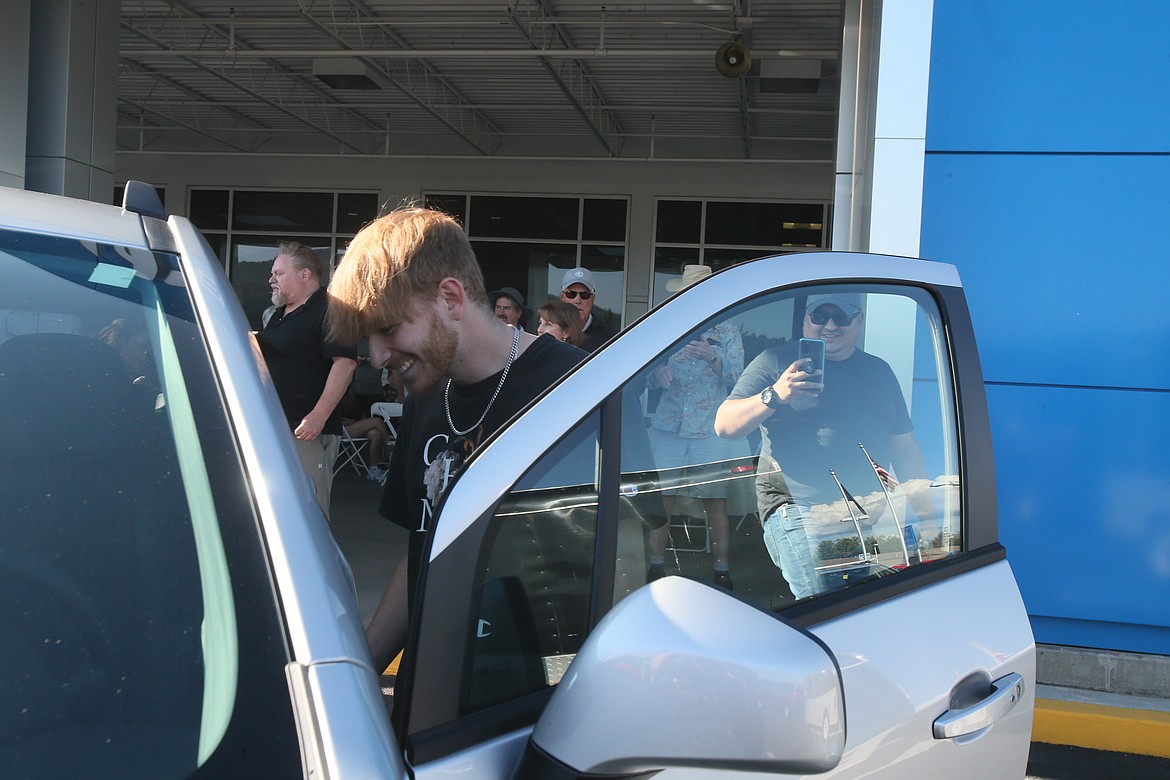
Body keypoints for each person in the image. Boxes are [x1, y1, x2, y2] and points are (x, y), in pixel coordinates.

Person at [326, 206, 586, 676]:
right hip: (432, 696)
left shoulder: (579, 387)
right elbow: (422, 558)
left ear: (450, 297)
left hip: (539, 702)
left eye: (387, 328)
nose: (378, 355)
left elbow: (628, 557)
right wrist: (358, 674)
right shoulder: (428, 392)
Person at [714, 293, 931, 600]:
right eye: (820, 317)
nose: (830, 326)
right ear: (805, 320)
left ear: (859, 321)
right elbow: (724, 424)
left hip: (861, 518)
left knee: (852, 612)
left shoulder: (878, 371)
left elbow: (905, 449)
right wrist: (776, 394)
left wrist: (929, 518)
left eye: (840, 318)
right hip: (800, 511)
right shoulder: (776, 361)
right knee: (824, 608)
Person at [644, 265, 744, 589]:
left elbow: (738, 378)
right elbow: (644, 369)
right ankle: (654, 568)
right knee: (662, 497)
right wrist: (655, 375)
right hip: (669, 422)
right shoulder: (665, 323)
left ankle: (722, 570)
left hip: (710, 425)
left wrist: (711, 357)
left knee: (715, 499)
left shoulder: (727, 329)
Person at [258, 241, 357, 521]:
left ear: (304, 275)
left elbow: (345, 363)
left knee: (309, 513)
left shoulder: (329, 310)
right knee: (277, 513)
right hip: (275, 428)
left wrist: (318, 416)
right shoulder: (280, 314)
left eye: (278, 273)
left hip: (306, 433)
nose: (271, 279)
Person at [559, 267, 614, 352]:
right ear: (562, 297)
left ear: (593, 298)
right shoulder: (548, 331)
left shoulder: (609, 339)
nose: (577, 301)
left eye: (584, 295)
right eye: (571, 294)